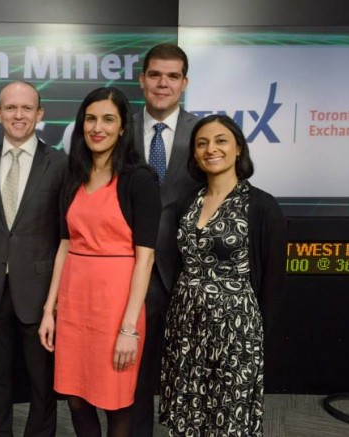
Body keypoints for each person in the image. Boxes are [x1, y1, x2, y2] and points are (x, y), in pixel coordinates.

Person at [38, 87, 161, 436]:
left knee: (116, 403)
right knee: (76, 398)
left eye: (109, 119)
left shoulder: (140, 179)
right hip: (76, 304)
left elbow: (146, 258)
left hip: (117, 307)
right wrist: (50, 310)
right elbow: (65, 245)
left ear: (123, 127)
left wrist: (129, 330)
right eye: (91, 118)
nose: (98, 127)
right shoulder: (72, 176)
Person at [159, 114, 287, 436]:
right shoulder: (187, 203)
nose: (210, 149)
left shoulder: (261, 206)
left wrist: (256, 336)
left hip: (236, 332)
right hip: (186, 328)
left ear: (239, 149)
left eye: (220, 141)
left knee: (228, 415)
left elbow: (273, 280)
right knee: (189, 410)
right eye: (201, 143)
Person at [0, 81, 64, 437]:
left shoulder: (60, 164)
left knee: (42, 381)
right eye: (10, 108)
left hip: (40, 293)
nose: (18, 115)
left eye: (27, 108)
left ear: (39, 114)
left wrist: (55, 301)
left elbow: (65, 235)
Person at [131, 42, 201, 436]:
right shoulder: (119, 128)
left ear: (184, 83)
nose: (163, 83)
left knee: (186, 373)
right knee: (133, 375)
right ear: (142, 80)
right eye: (155, 75)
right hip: (129, 274)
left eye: (172, 76)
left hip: (184, 274)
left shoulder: (204, 133)